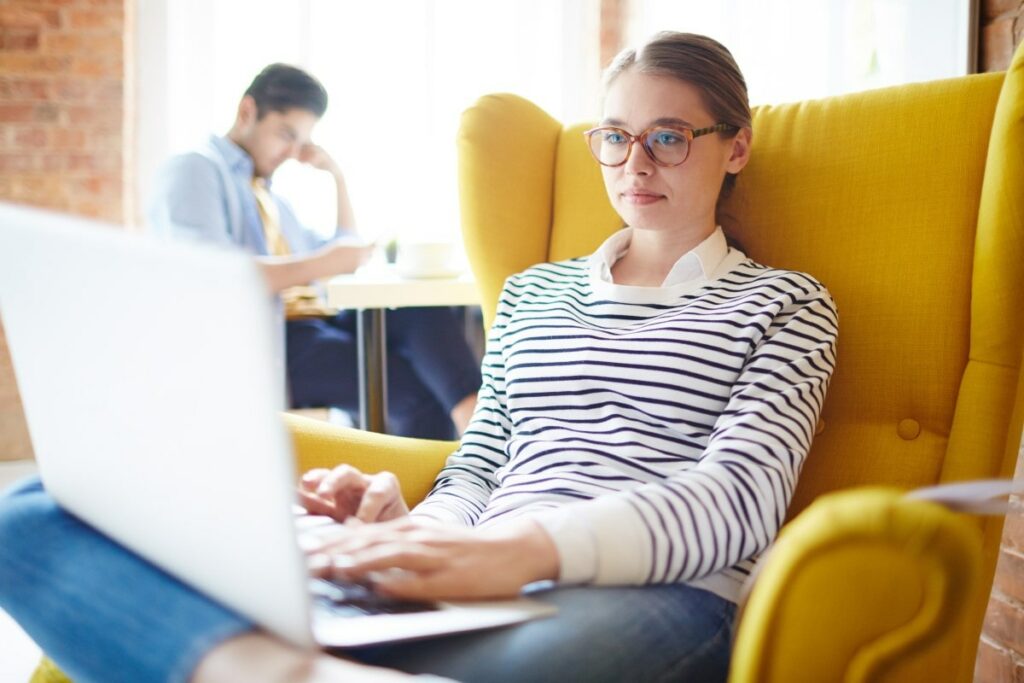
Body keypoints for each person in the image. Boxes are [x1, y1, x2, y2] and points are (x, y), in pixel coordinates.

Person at [0, 32, 838, 683]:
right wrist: (412, 532)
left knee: (509, 668)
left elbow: (737, 502)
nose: (634, 163)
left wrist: (519, 551)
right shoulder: (536, 293)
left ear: (735, 146)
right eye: (614, 136)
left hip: (653, 590)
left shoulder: (786, 303)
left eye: (667, 136)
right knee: (33, 512)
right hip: (473, 570)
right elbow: (478, 467)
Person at [147, 63, 481, 439]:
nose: (292, 152)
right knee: (412, 391)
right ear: (247, 112)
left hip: (315, 323)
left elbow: (342, 250)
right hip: (272, 339)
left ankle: (477, 423)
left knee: (419, 310)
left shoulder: (268, 195)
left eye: (300, 142)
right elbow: (215, 276)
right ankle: (451, 470)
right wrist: (327, 261)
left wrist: (337, 177)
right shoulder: (194, 169)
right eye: (285, 134)